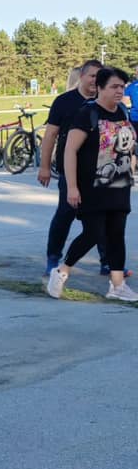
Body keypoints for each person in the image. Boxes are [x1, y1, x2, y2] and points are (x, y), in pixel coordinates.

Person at [47, 67, 138, 303]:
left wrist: (131, 168)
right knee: (93, 233)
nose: (120, 91)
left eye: (122, 87)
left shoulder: (122, 112)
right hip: (91, 186)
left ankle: (117, 285)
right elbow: (70, 150)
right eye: (114, 87)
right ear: (100, 88)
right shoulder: (87, 114)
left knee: (116, 234)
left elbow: (127, 146)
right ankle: (62, 270)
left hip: (119, 184)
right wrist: (72, 186)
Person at [38, 59, 102, 275]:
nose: (95, 81)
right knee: (66, 213)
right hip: (70, 169)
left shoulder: (104, 101)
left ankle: (108, 261)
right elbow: (50, 135)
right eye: (92, 76)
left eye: (99, 77)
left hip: (100, 170)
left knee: (102, 216)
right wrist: (44, 167)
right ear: (81, 76)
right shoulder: (64, 102)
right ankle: (53, 257)